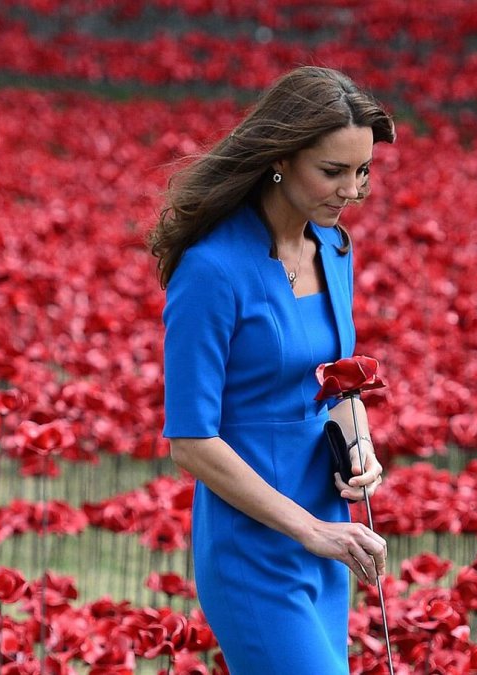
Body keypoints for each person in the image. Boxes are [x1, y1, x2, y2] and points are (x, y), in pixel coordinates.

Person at [148, 66, 395, 673]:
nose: (351, 191)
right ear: (280, 159)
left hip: (328, 529)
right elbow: (191, 442)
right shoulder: (212, 270)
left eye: (361, 172)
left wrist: (359, 446)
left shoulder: (334, 251)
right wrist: (309, 529)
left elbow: (336, 386)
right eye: (332, 172)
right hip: (254, 542)